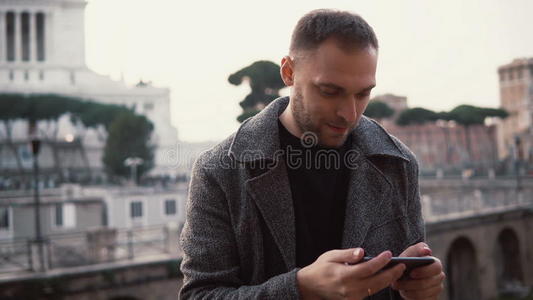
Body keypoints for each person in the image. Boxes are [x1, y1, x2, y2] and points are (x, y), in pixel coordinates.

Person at [179, 9, 445, 300]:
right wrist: (301, 288)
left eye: (362, 94)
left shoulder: (398, 163)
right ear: (289, 73)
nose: (349, 113)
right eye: (330, 92)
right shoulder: (219, 170)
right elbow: (199, 295)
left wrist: (418, 291)